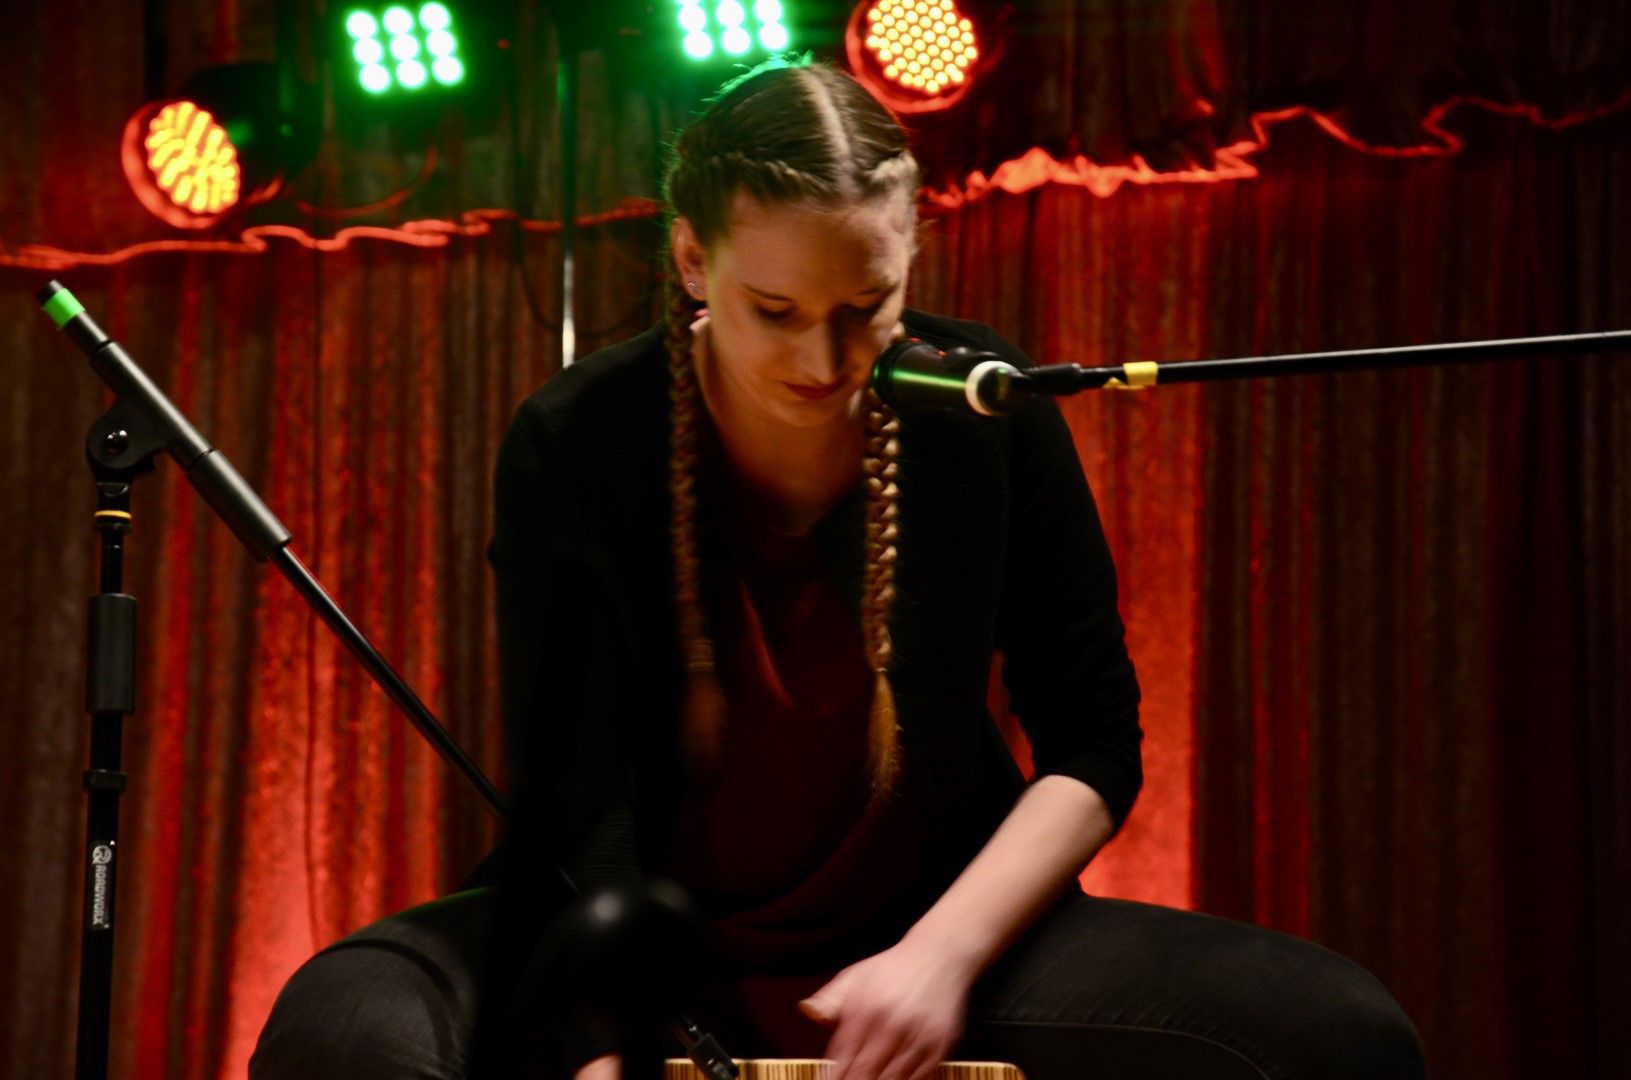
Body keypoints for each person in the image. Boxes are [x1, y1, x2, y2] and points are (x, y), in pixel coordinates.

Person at [253, 58, 1425, 1080]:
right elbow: (577, 794)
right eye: (774, 310)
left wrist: (939, 958)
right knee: (342, 1027)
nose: (825, 360)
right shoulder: (576, 434)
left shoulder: (981, 406)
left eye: (866, 306)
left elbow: (1093, 742)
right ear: (691, 260)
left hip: (927, 934)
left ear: (910, 253)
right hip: (622, 933)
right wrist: (597, 1030)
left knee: (1333, 1035)